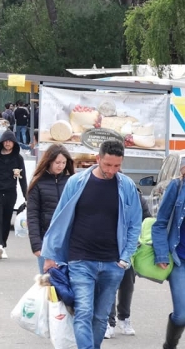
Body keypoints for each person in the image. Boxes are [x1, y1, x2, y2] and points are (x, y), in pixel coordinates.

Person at [42, 140, 142, 349]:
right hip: (80, 260)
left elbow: (134, 224)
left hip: (113, 263)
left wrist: (125, 259)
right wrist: (50, 255)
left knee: (100, 317)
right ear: (97, 159)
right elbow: (59, 219)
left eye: (117, 166)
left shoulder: (127, 186)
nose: (112, 170)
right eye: (107, 165)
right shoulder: (77, 183)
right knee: (83, 312)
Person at [105, 190, 151, 339]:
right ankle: (109, 321)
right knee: (109, 285)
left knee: (127, 284)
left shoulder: (134, 194)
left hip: (129, 247)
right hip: (107, 246)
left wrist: (140, 238)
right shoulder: (104, 193)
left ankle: (124, 317)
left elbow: (147, 218)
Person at [26, 144, 74, 274]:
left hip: (69, 241)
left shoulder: (71, 181)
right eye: (57, 162)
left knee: (69, 284)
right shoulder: (38, 182)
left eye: (64, 162)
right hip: (46, 242)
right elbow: (32, 215)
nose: (61, 166)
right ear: (49, 161)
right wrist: (36, 244)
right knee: (49, 283)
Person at [152, 158, 185, 349]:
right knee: (181, 315)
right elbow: (160, 223)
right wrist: (162, 254)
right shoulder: (177, 186)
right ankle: (169, 346)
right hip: (180, 259)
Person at [0, 130, 27, 260]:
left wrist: (27, 197)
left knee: (6, 219)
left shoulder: (18, 158)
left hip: (10, 192)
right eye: (6, 141)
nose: (8, 144)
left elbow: (22, 178)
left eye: (10, 141)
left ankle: (2, 244)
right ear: (2, 142)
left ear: (14, 143)